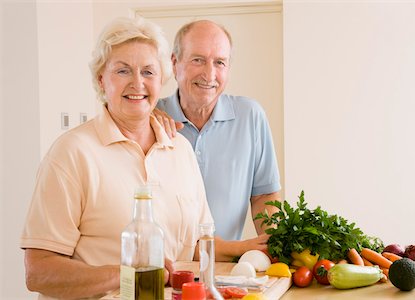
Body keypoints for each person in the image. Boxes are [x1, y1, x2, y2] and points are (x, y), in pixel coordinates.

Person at [20, 17, 235, 300]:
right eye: (122, 70)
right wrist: (128, 275)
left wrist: (253, 252)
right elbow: (39, 272)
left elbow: (195, 246)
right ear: (101, 79)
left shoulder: (180, 150)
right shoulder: (71, 153)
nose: (137, 82)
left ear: (162, 79)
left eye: (148, 71)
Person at [156, 20, 281, 242]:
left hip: (227, 268)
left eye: (220, 62)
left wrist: (274, 245)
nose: (209, 74)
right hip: (163, 266)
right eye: (198, 60)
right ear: (175, 63)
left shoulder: (250, 116)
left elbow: (264, 195)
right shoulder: (152, 116)